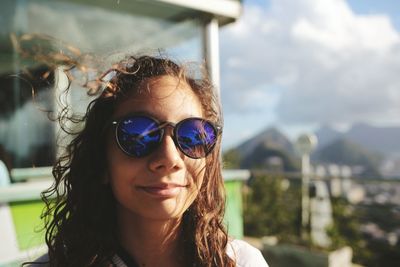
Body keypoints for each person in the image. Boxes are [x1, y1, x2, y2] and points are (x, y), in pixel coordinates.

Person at [29, 55, 268, 266]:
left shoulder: (240, 262)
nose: (169, 158)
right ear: (102, 160)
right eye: (138, 135)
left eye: (192, 135)